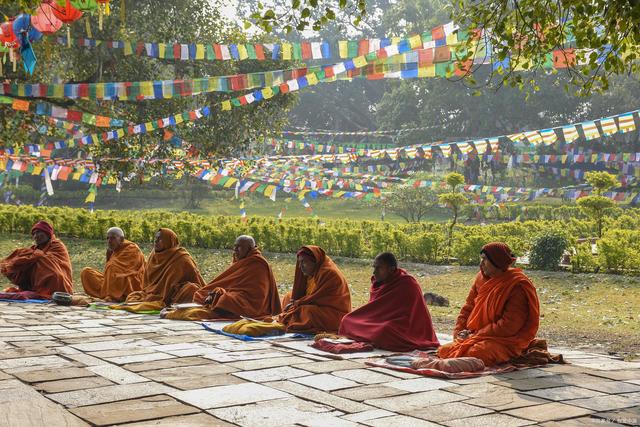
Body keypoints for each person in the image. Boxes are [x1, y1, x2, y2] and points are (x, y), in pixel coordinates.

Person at [437, 242, 542, 366]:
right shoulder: (481, 279)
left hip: (505, 340)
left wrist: (475, 334)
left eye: (485, 260)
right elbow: (468, 308)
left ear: (497, 262)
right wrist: (459, 332)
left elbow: (509, 326)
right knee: (444, 350)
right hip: (476, 336)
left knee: (477, 353)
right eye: (481, 259)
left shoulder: (516, 285)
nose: (481, 264)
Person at [162, 235, 281, 321]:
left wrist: (223, 294)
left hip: (253, 305)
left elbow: (256, 294)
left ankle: (215, 306)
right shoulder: (242, 260)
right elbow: (229, 282)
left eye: (239, 247)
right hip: (238, 296)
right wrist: (218, 292)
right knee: (203, 293)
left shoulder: (258, 263)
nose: (235, 251)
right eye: (234, 247)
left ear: (250, 248)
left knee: (224, 300)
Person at [339, 252, 440, 351]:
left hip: (405, 326)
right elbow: (373, 311)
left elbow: (413, 315)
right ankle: (370, 336)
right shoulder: (378, 283)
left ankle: (369, 336)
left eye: (378, 268)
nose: (374, 272)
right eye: (374, 267)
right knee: (347, 320)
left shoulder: (407, 283)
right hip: (377, 320)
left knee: (384, 331)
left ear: (391, 269)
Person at [122, 228, 205, 310]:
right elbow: (147, 284)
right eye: (155, 238)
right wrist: (155, 293)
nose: (156, 241)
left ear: (169, 241)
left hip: (175, 295)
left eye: (160, 239)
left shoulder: (182, 258)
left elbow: (198, 282)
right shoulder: (153, 256)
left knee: (191, 289)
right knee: (133, 297)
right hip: (154, 293)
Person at [277, 245, 351, 333]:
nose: (300, 267)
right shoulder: (312, 273)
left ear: (315, 261)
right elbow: (307, 295)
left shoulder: (328, 273)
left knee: (308, 311)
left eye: (304, 262)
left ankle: (292, 322)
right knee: (288, 297)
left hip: (335, 314)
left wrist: (298, 303)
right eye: (299, 263)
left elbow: (317, 298)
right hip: (316, 305)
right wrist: (296, 302)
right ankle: (292, 320)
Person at [0, 221, 73, 299]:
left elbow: (50, 263)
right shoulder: (34, 249)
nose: (36, 236)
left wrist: (35, 256)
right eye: (34, 234)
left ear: (47, 234)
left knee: (41, 260)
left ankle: (43, 291)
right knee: (24, 256)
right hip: (36, 286)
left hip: (58, 284)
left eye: (38, 232)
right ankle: (34, 288)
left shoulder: (57, 246)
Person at [80, 227, 145, 302]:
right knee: (86, 272)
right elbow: (107, 273)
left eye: (113, 238)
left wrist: (112, 266)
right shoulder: (113, 250)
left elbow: (126, 271)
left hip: (130, 284)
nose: (109, 241)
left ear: (121, 239)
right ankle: (107, 294)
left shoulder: (133, 249)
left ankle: (113, 296)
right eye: (107, 238)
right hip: (114, 283)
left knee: (113, 267)